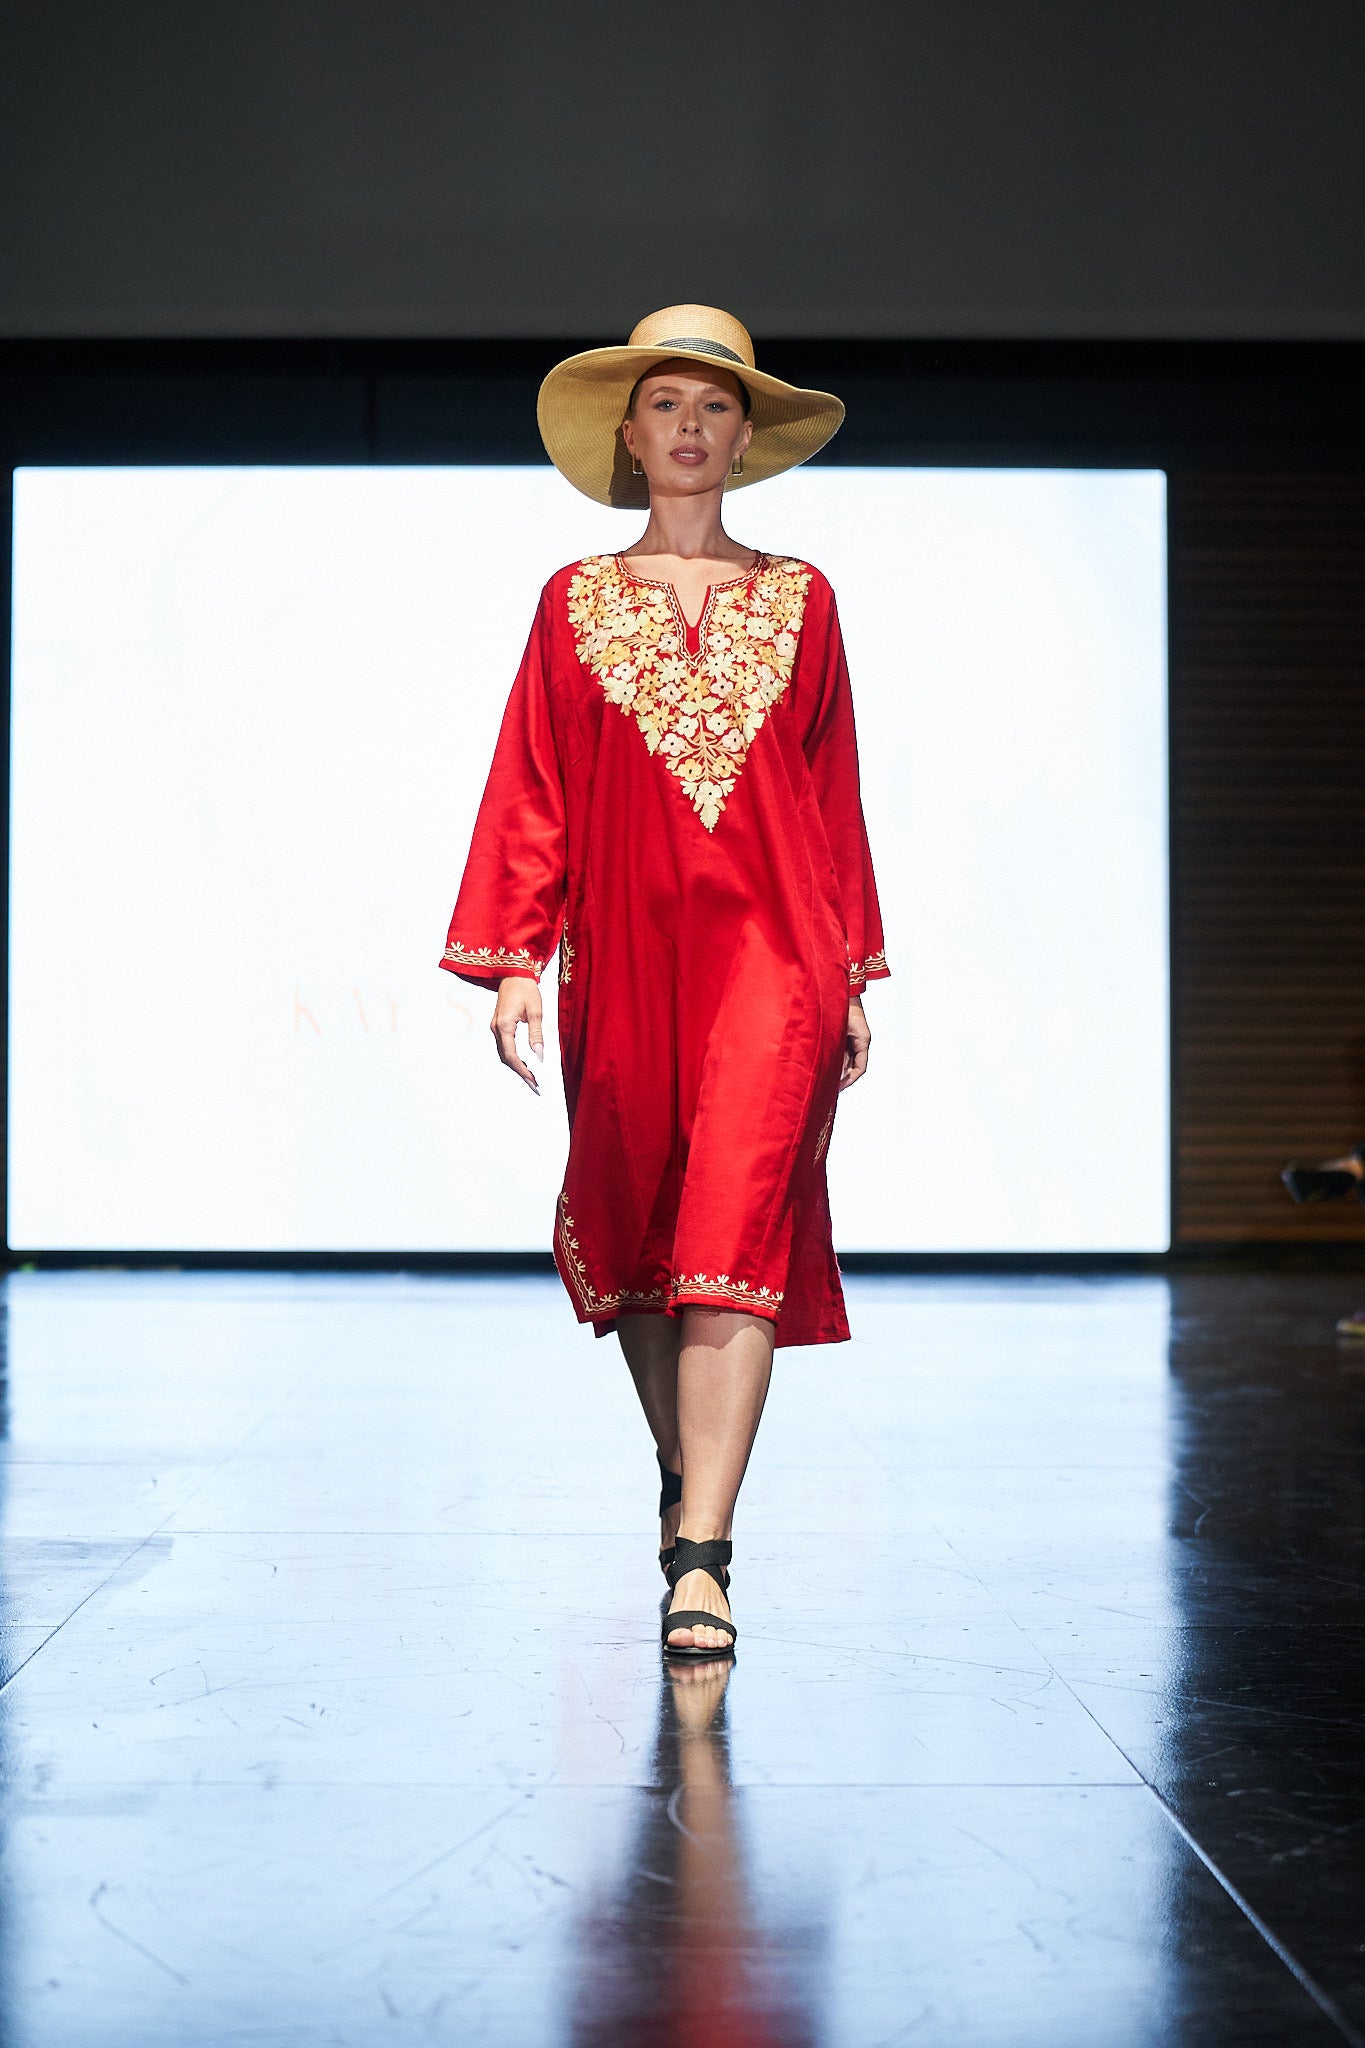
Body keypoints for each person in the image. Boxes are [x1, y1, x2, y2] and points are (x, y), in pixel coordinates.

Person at [440, 304, 889, 1660]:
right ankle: (683, 1474)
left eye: (712, 407)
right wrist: (514, 956)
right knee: (646, 1242)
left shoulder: (801, 598)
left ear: (744, 437)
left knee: (734, 1240)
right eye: (665, 407)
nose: (689, 428)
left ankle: (703, 1555)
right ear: (630, 438)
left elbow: (830, 800)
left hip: (773, 956)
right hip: (623, 958)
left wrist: (853, 970)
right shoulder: (573, 602)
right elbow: (533, 786)